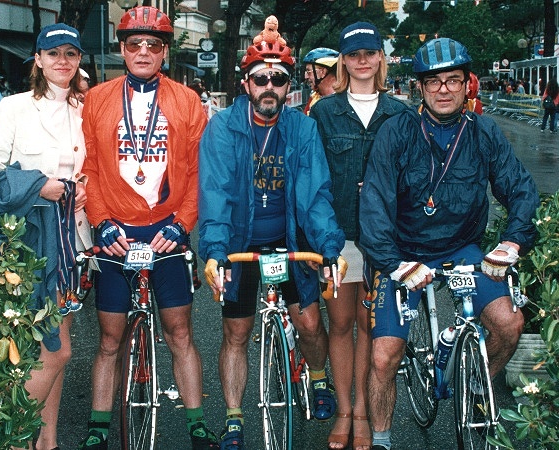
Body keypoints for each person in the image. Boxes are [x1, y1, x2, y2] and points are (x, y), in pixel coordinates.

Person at [359, 37, 539, 450]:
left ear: (466, 85)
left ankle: (478, 389)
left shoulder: (483, 132)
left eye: (453, 80)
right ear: (419, 87)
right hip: (403, 252)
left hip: (461, 249)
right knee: (385, 356)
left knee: (510, 324)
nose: (444, 89)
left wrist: (512, 241)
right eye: (434, 81)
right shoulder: (396, 132)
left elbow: (521, 189)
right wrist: (394, 263)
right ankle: (383, 440)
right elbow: (374, 207)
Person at [199, 19, 347, 450]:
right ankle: (232, 417)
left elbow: (316, 196)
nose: (269, 87)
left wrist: (329, 248)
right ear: (246, 83)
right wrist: (213, 251)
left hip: (290, 239)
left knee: (309, 321)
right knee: (236, 333)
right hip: (240, 241)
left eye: (278, 79)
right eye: (260, 78)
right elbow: (215, 194)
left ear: (288, 85)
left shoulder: (302, 128)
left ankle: (318, 378)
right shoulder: (224, 127)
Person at [79, 6, 218, 450]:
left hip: (166, 229)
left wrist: (182, 225)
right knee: (108, 338)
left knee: (180, 333)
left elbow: (199, 172)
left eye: (153, 44)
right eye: (134, 44)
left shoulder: (187, 100)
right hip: (116, 233)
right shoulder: (97, 98)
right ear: (122, 49)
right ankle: (99, 427)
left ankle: (197, 423)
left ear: (164, 53)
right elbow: (92, 169)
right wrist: (100, 222)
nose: (143, 51)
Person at [0, 23, 92, 450]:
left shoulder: (88, 108)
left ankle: (48, 442)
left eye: (71, 54)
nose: (63, 61)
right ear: (38, 61)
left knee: (52, 350)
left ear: (80, 60)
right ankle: (11, 440)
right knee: (52, 349)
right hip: (29, 243)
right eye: (54, 53)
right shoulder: (13, 107)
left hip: (74, 243)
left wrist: (89, 191)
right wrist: (39, 185)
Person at [309, 21, 407, 450]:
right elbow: (313, 177)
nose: (362, 60)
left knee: (372, 326)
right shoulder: (325, 112)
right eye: (353, 54)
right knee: (341, 322)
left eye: (370, 52)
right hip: (340, 237)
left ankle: (365, 412)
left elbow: (412, 177)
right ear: (343, 62)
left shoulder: (401, 113)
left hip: (385, 238)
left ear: (381, 59)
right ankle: (345, 411)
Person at [302, 47, 339, 114]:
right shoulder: (314, 98)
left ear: (322, 72)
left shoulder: (343, 101)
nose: (306, 77)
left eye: (308, 71)